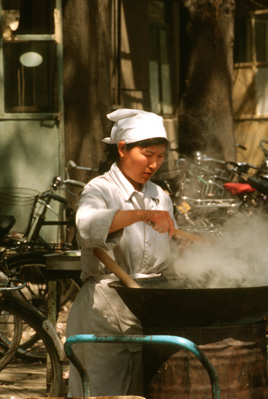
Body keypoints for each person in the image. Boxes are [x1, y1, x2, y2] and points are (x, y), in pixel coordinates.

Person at [66, 109, 176, 396]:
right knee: (105, 392)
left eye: (160, 156)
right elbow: (87, 226)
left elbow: (167, 246)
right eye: (147, 154)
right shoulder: (100, 188)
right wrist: (139, 215)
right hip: (105, 312)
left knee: (145, 390)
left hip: (148, 306)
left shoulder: (160, 195)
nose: (154, 164)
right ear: (123, 149)